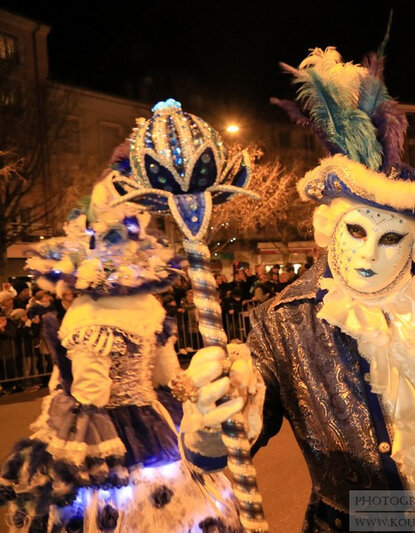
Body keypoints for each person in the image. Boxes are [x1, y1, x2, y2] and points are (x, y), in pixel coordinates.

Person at [179, 46, 415, 532]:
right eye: (355, 231)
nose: (369, 253)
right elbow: (243, 433)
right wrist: (215, 414)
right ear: (329, 226)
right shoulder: (286, 318)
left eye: (390, 237)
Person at [0, 166, 243, 529]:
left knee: (105, 510)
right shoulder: (151, 309)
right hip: (158, 424)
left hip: (112, 434)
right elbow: (167, 375)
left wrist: (65, 401)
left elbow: (92, 391)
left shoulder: (86, 317)